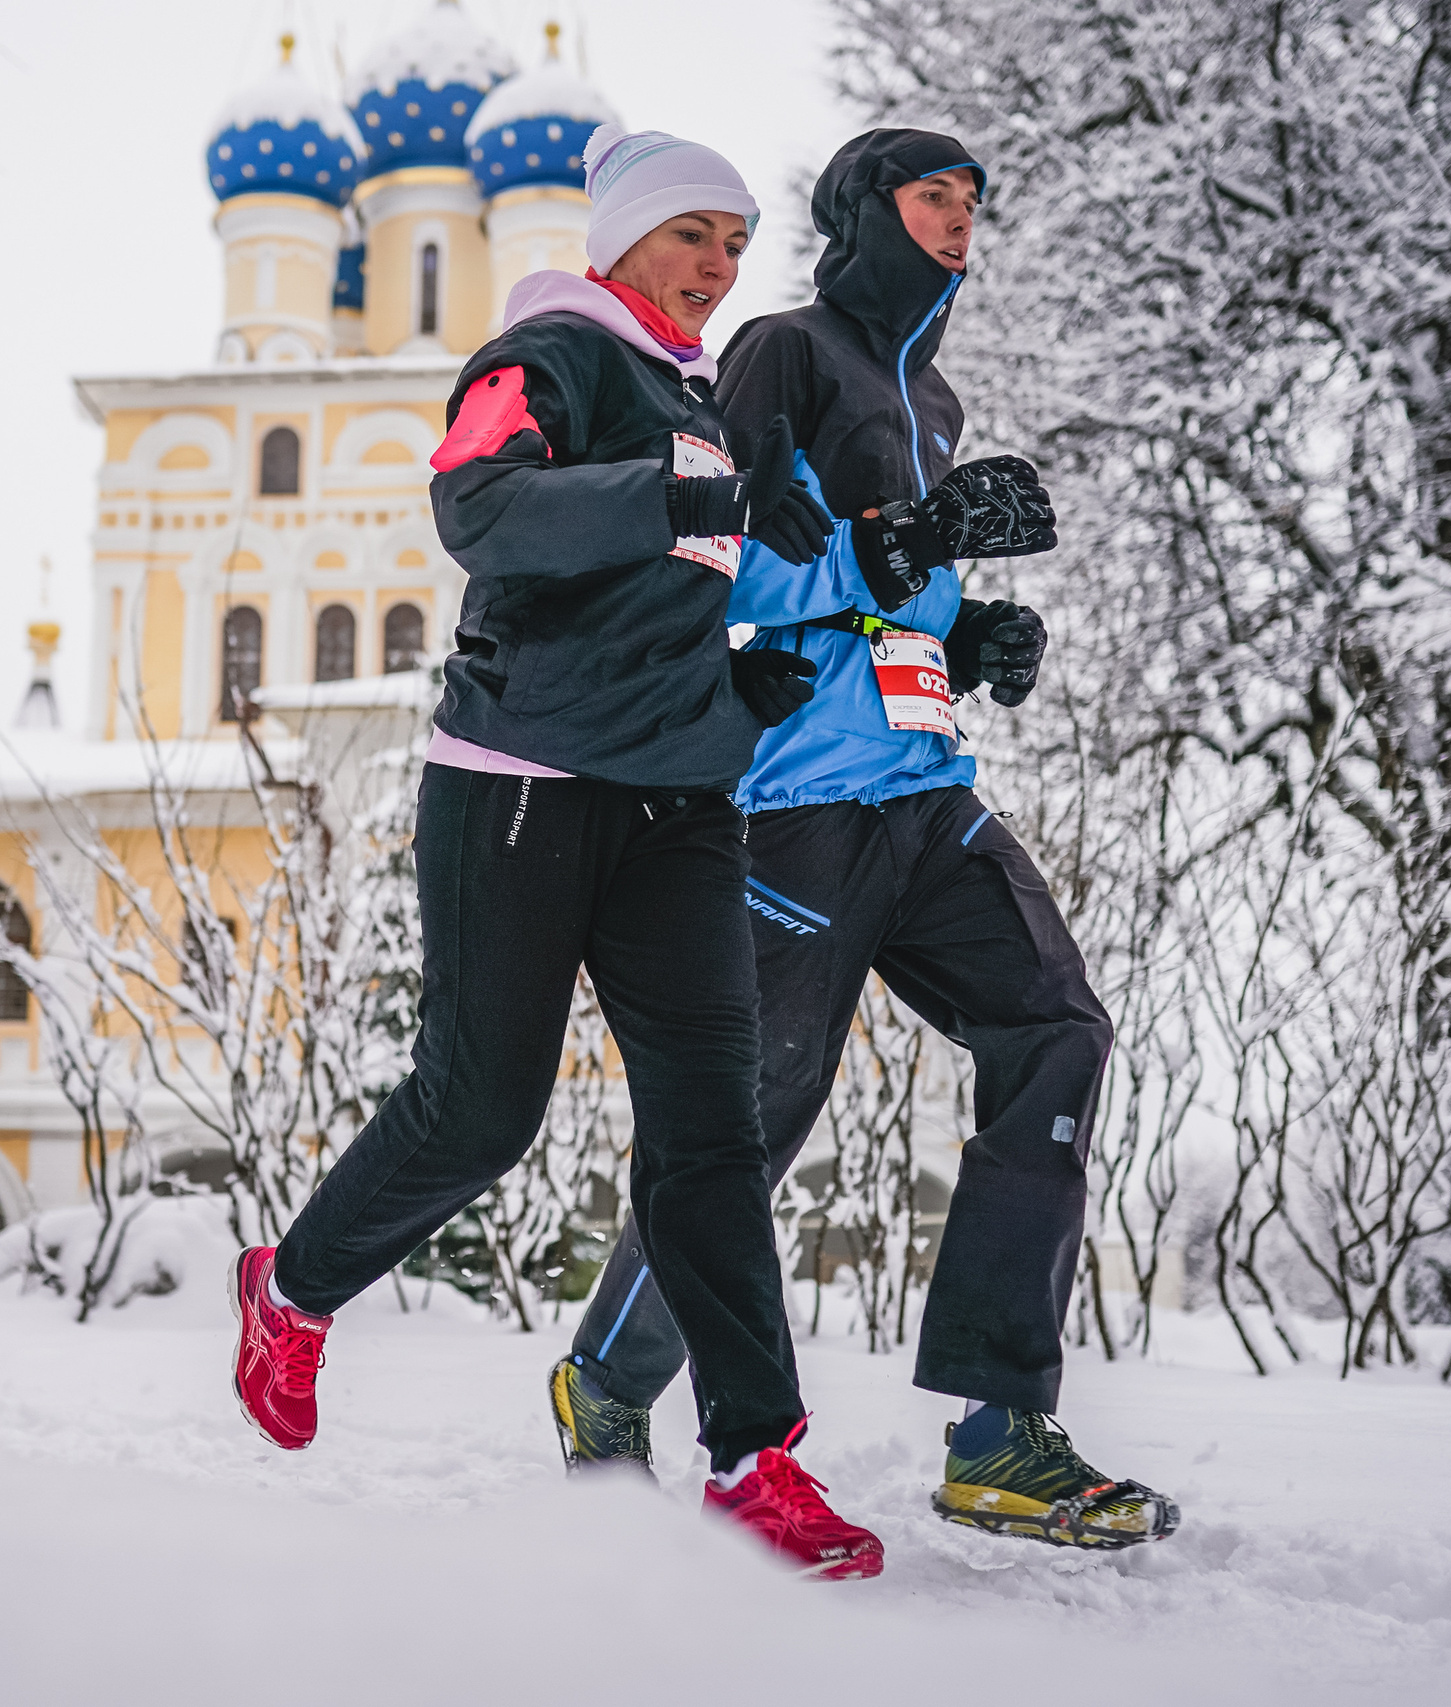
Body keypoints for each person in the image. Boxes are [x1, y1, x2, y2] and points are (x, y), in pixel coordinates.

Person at [230, 125, 881, 1580]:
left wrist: (743, 687)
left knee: (710, 1132)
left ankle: (755, 1456)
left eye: (736, 242)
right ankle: (293, 1288)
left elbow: (670, 603)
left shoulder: (702, 407)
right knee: (481, 1110)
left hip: (678, 808)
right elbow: (479, 508)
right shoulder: (549, 354)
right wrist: (674, 496)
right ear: (622, 236)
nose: (718, 264)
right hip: (520, 783)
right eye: (693, 232)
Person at [546, 129, 1181, 1552]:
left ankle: (997, 1428)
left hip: (925, 790)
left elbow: (891, 585)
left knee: (1057, 1032)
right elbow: (709, 559)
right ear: (865, 212)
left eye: (971, 200)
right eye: (931, 195)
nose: (959, 219)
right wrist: (908, 547)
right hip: (791, 806)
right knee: (752, 1123)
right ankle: (607, 1381)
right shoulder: (779, 353)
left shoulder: (929, 392)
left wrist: (969, 631)